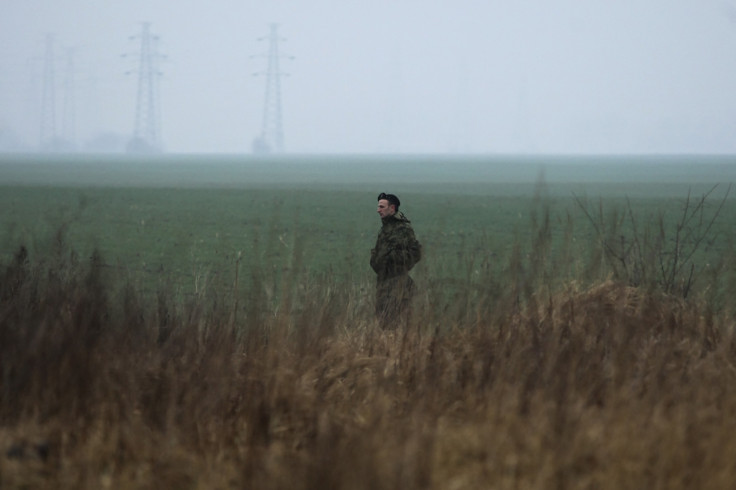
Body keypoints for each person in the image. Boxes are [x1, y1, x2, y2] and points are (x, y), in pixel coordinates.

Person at [370, 192, 422, 329]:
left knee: (394, 324)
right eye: (378, 206)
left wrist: (392, 260)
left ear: (392, 209)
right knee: (383, 323)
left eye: (382, 207)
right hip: (383, 284)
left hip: (398, 286)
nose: (378, 210)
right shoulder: (385, 229)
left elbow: (414, 254)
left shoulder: (403, 229)